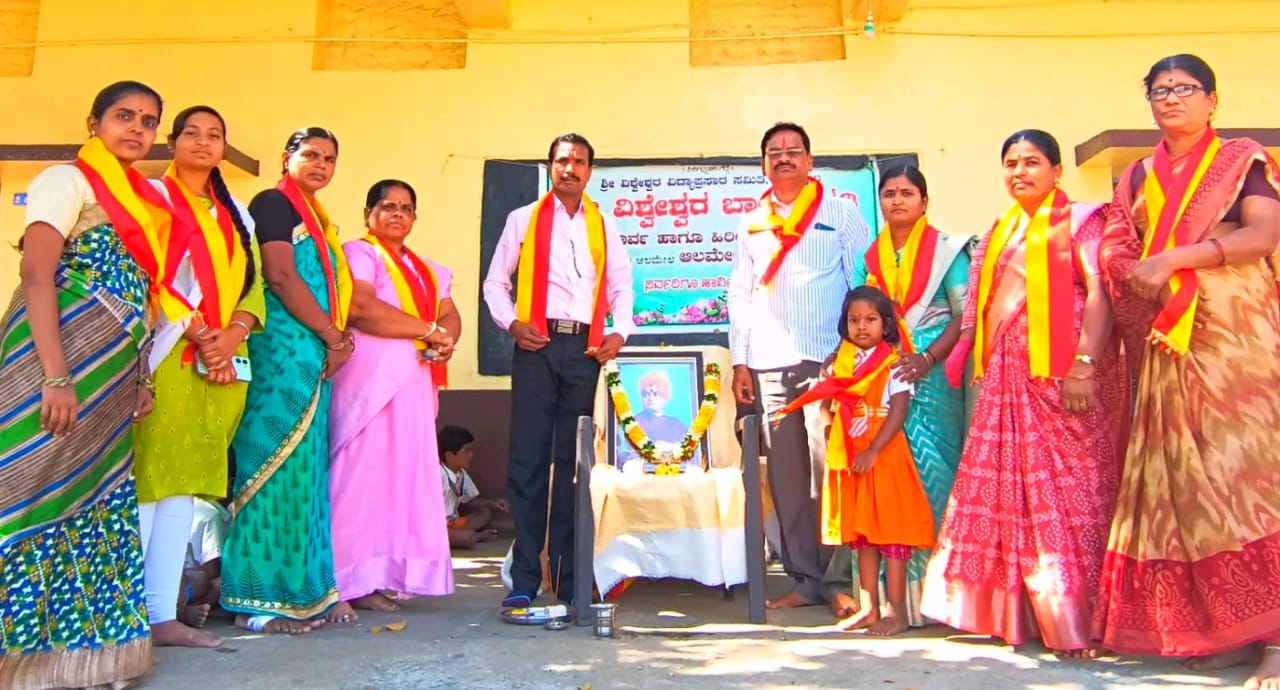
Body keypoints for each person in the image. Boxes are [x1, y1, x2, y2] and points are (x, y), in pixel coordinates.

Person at [1094, 54, 1280, 690]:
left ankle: (1276, 639)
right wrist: (1146, 267)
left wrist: (1177, 256)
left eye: (1185, 88)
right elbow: (1118, 250)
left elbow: (1262, 236)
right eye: (1160, 90)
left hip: (1237, 334)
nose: (1172, 97)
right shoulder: (1137, 176)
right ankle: (1228, 629)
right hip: (1167, 341)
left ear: (1212, 99)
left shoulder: (1241, 161)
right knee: (1191, 481)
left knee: (1251, 474)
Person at [922, 129, 1127, 657]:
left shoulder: (1082, 222)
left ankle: (1079, 616)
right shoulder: (1000, 231)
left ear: (1057, 171)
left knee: (1071, 498)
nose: (1020, 172)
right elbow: (981, 306)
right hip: (1008, 386)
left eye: (1032, 162)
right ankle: (1021, 614)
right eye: (1011, 163)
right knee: (1010, 498)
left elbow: (1101, 294)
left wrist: (1084, 364)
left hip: (1065, 385)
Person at [0, 80, 168, 690]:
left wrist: (141, 377)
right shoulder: (65, 180)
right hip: (51, 368)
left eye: (148, 121)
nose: (136, 129)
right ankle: (19, 657)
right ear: (93, 122)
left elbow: (144, 300)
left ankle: (85, 659)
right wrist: (55, 375)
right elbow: (37, 273)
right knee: (26, 497)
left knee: (97, 506)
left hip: (110, 382)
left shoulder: (146, 204)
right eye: (124, 116)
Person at [482, 132, 635, 608]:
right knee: (528, 462)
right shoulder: (523, 219)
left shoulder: (604, 225)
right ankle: (525, 579)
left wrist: (619, 333)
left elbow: (623, 287)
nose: (570, 168)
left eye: (580, 161)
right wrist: (512, 324)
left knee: (575, 466)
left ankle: (569, 579)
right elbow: (495, 283)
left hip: (586, 351)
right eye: (562, 160)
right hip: (536, 346)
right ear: (550, 167)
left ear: (590, 171)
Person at [132, 104, 264, 649]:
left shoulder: (235, 215)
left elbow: (253, 285)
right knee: (147, 485)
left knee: (183, 492)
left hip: (220, 367)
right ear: (172, 142)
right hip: (166, 355)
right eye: (191, 133)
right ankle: (127, 619)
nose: (203, 142)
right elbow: (147, 274)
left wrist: (232, 333)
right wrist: (199, 332)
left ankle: (162, 616)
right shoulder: (150, 200)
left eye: (214, 135)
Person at [727, 121, 869, 612]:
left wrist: (850, 352)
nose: (784, 157)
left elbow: (860, 280)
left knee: (828, 473)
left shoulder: (840, 212)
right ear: (763, 164)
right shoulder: (752, 221)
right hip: (768, 366)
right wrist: (740, 362)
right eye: (774, 151)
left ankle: (838, 579)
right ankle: (805, 580)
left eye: (793, 150)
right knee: (787, 480)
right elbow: (741, 295)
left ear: (810, 160)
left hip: (826, 361)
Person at [220, 127, 356, 635]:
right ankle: (256, 601)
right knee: (272, 468)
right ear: (286, 157)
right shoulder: (273, 203)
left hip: (313, 353)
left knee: (308, 473)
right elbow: (279, 275)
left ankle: (311, 591)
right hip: (281, 352)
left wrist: (331, 341)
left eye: (329, 158)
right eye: (311, 154)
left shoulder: (318, 219)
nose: (321, 164)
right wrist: (332, 334)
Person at [847, 165, 970, 628]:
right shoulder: (870, 256)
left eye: (907, 193)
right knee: (887, 485)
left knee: (935, 477)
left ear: (924, 201)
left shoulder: (948, 251)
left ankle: (939, 596)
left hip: (935, 379)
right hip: (883, 378)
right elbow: (860, 316)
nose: (897, 200)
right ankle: (885, 602)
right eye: (889, 193)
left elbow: (965, 316)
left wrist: (927, 358)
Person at [329, 179, 459, 613]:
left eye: (406, 207)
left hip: (413, 385)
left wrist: (445, 338)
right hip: (369, 384)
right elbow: (361, 309)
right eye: (387, 206)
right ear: (368, 214)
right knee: (357, 479)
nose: (397, 213)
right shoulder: (360, 253)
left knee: (398, 483)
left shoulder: (429, 270)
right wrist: (428, 331)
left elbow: (449, 315)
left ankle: (373, 579)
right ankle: (338, 582)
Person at [773, 286, 934, 636]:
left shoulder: (894, 365)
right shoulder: (840, 365)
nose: (861, 326)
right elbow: (826, 406)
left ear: (886, 325)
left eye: (870, 319)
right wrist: (834, 433)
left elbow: (899, 411)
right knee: (863, 538)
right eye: (854, 320)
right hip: (852, 457)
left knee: (892, 535)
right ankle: (869, 608)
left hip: (884, 456)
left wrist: (873, 450)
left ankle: (896, 610)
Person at [440, 425, 509, 549]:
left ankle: (462, 536)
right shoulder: (439, 475)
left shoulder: (461, 474)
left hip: (455, 523)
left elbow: (469, 501)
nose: (471, 455)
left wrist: (492, 503)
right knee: (467, 537)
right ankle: (478, 536)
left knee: (484, 513)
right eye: (467, 451)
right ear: (450, 456)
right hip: (438, 528)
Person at [179, 497, 232, 629]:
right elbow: (211, 570)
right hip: (182, 586)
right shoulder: (209, 514)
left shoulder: (186, 504)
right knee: (223, 583)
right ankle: (180, 613)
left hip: (173, 584)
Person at [619, 369, 690, 461]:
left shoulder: (676, 424)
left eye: (655, 394)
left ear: (664, 396)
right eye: (646, 394)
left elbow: (689, 448)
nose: (650, 398)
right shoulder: (634, 423)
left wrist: (670, 447)